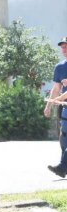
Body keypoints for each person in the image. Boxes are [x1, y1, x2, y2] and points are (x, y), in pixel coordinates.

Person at [44, 37, 67, 178]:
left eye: (66, 47)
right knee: (64, 139)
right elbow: (57, 88)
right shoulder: (60, 67)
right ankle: (63, 166)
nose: (64, 50)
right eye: (63, 47)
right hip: (65, 109)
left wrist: (56, 99)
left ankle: (62, 167)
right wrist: (49, 106)